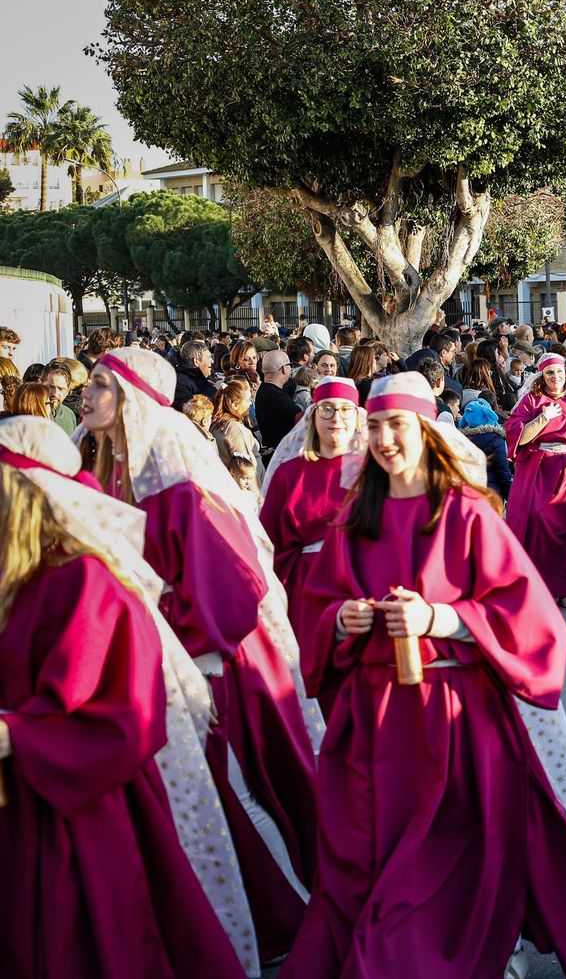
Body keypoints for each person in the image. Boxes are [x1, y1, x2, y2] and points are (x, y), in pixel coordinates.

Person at [284, 373, 566, 979]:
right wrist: (344, 617)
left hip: (453, 714)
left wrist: (439, 618)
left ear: (425, 430)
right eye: (373, 427)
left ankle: (466, 949)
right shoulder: (354, 516)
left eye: (395, 425)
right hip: (372, 716)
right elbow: (318, 603)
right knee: (368, 848)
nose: (383, 439)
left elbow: (531, 616)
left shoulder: (466, 511)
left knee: (452, 844)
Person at [77, 346, 324, 963]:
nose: (87, 396)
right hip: (161, 656)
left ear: (131, 399)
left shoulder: (172, 469)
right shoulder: (112, 470)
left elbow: (227, 570)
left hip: (214, 656)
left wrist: (202, 658)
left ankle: (290, 918)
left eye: (102, 386)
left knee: (236, 788)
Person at [0, 427, 250, 979]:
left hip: (72, 811)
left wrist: (18, 735)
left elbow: (123, 716)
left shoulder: (84, 583)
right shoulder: (9, 579)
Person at [259, 377, 365, 654]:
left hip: (360, 587)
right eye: (327, 408)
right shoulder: (289, 473)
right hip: (304, 591)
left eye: (345, 409)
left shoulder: (372, 473)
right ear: (314, 414)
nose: (336, 418)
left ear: (357, 416)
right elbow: (267, 543)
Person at [506, 353, 566, 609]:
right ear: (541, 376)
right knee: (536, 520)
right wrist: (542, 418)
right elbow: (518, 438)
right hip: (540, 471)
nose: (555, 378)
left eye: (559, 372)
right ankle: (544, 586)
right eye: (549, 373)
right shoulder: (532, 401)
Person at [212, 377, 262, 499]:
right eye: (247, 399)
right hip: (244, 497)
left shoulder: (216, 424)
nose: (250, 403)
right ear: (234, 405)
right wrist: (258, 500)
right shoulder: (234, 429)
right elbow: (245, 469)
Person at [257, 348, 300, 452]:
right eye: (290, 365)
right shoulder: (277, 396)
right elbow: (302, 419)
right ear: (284, 369)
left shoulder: (263, 389)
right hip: (282, 452)